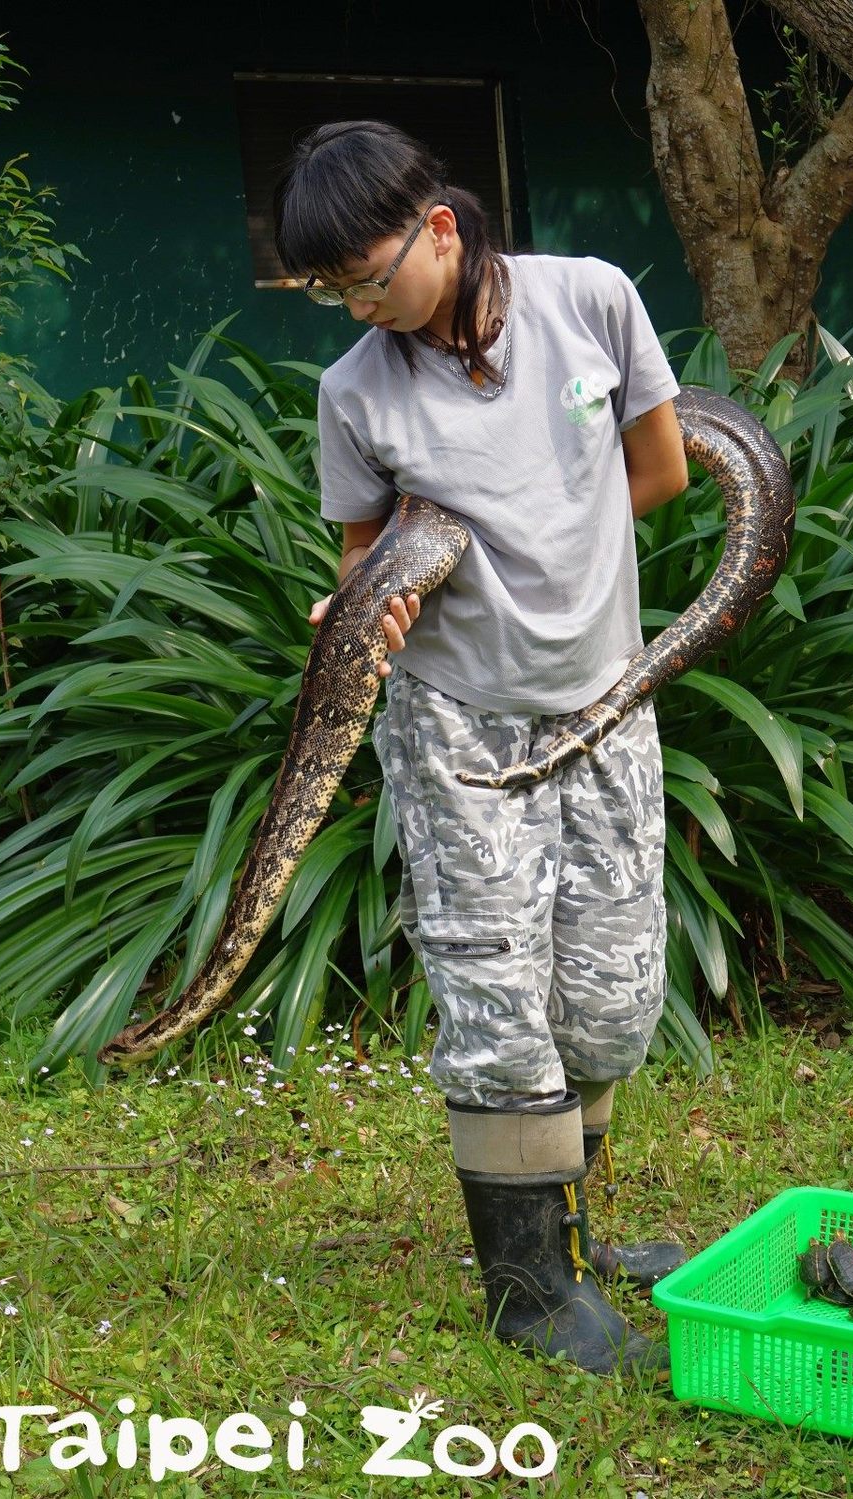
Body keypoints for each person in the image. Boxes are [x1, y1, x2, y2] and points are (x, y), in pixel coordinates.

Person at [272, 119, 689, 1377]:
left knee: (610, 995)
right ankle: (523, 1284)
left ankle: (574, 1231)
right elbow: (360, 565)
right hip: (457, 717)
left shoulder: (591, 302)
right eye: (331, 290)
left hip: (602, 698)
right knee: (498, 995)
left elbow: (657, 472)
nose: (357, 304)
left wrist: (551, 549)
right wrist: (360, 606)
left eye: (368, 273)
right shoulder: (357, 390)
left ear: (440, 229)